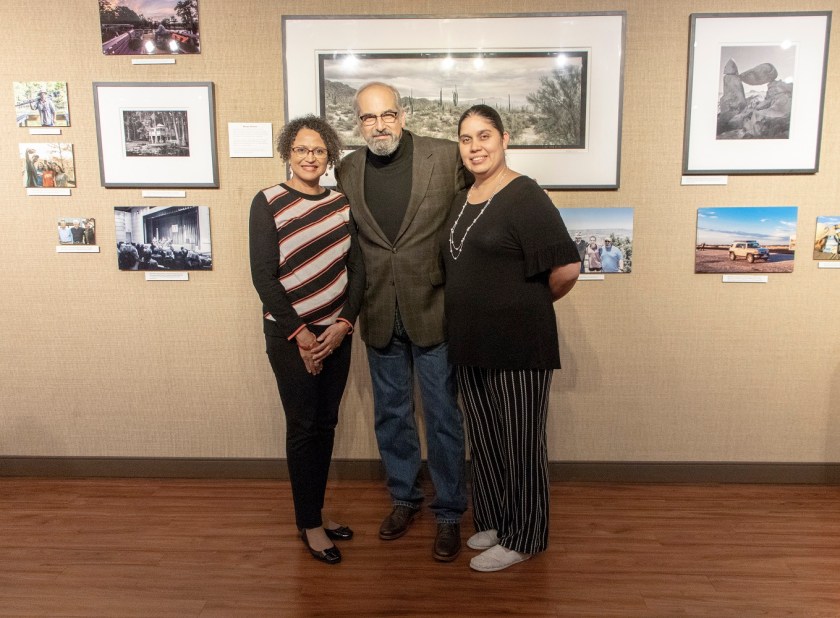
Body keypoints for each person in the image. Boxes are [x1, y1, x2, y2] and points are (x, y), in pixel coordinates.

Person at [442, 104, 580, 572]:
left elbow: (566, 268)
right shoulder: (467, 195)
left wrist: (526, 308)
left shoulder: (526, 195)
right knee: (486, 440)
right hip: (471, 343)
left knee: (520, 443)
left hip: (520, 344)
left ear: (504, 139)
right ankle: (500, 522)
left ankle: (527, 536)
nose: (475, 146)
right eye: (466, 139)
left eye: (484, 136)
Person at [335, 81, 468, 562]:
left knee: (443, 417)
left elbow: (477, 215)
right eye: (368, 118)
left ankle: (451, 511)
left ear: (404, 114)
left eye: (387, 114)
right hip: (378, 312)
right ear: (358, 123)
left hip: (433, 307)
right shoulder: (347, 168)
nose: (379, 126)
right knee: (391, 415)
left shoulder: (446, 156)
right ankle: (405, 499)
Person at [249, 115, 363, 566]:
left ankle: (315, 512)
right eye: (301, 150)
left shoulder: (341, 204)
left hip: (337, 333)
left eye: (318, 150)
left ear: (329, 155)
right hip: (289, 334)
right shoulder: (268, 201)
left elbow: (358, 270)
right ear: (287, 154)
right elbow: (264, 277)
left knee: (326, 425)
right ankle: (309, 523)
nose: (310, 157)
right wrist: (301, 334)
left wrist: (345, 323)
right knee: (303, 427)